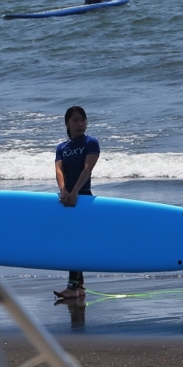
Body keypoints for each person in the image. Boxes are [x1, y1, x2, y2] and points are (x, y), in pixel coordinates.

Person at [53, 106, 100, 300]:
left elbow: (87, 169)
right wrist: (64, 190)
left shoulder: (91, 143)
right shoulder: (62, 148)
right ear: (67, 124)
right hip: (67, 198)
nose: (80, 124)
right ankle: (78, 287)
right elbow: (59, 171)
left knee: (75, 241)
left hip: (84, 196)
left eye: (83, 120)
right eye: (75, 120)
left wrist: (75, 192)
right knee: (71, 240)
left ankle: (73, 287)